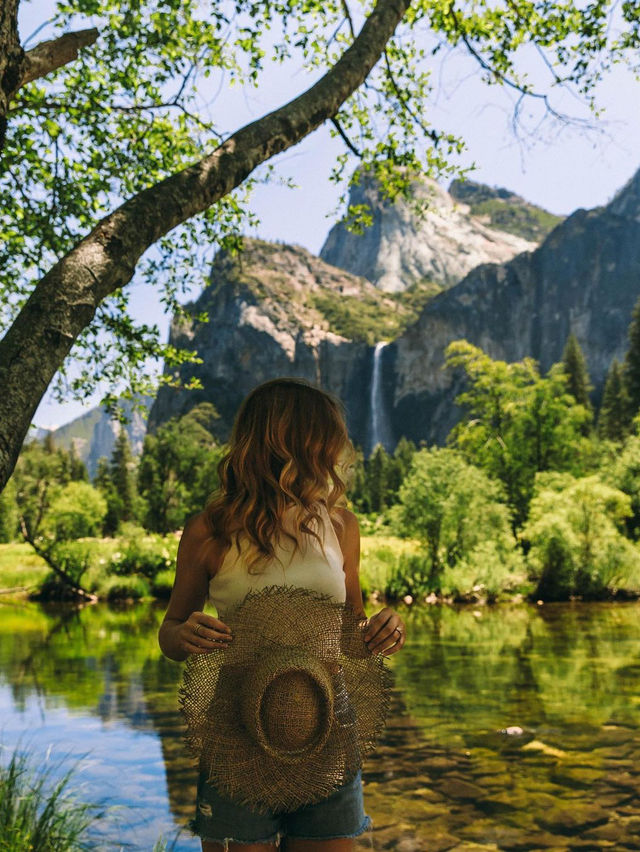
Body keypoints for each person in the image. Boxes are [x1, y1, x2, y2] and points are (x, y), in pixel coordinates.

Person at [158, 377, 406, 852]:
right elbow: (169, 634)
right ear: (292, 440)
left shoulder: (341, 526)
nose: (338, 446)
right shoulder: (208, 531)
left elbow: (351, 632)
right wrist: (183, 634)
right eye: (328, 434)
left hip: (329, 721)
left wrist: (383, 630)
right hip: (236, 724)